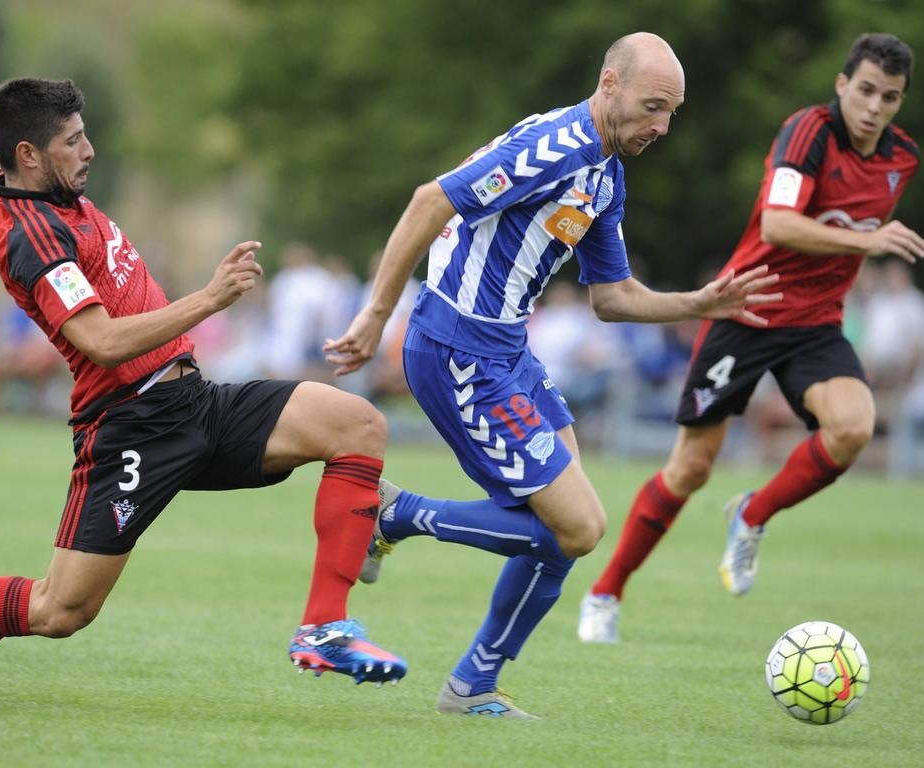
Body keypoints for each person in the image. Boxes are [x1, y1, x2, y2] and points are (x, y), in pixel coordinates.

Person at [323, 32, 780, 717]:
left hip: (508, 351)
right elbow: (428, 201)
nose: (662, 126)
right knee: (578, 528)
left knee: (562, 532)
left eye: (671, 113)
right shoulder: (554, 149)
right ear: (609, 85)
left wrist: (699, 302)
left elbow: (612, 297)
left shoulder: (604, 173)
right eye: (653, 106)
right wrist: (374, 316)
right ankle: (396, 514)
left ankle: (472, 685)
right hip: (457, 350)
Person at [0, 67, 407, 687]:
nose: (88, 149)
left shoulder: (27, 182)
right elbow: (100, 342)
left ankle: (324, 629)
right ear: (30, 155)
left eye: (83, 134)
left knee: (356, 423)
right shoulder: (35, 241)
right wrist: (208, 299)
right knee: (60, 610)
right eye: (71, 140)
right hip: (131, 429)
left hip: (193, 401)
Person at [578, 32, 924, 644]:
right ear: (843, 85)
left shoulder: (902, 160)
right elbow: (779, 223)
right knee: (690, 468)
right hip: (748, 307)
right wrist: (866, 241)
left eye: (890, 97)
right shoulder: (809, 132)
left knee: (853, 426)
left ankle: (753, 512)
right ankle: (605, 592)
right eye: (866, 90)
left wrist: (861, 247)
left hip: (817, 322)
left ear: (900, 103)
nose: (875, 106)